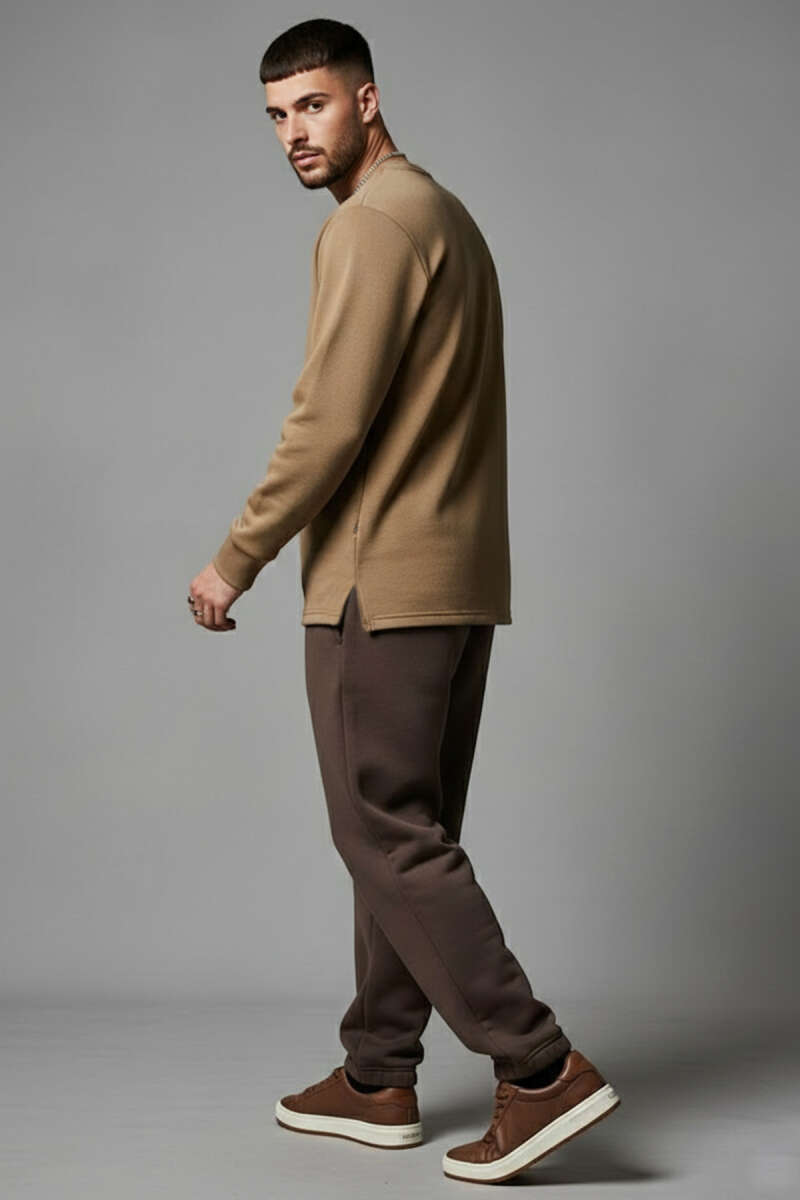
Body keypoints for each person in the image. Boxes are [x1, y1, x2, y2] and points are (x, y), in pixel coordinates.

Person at [186, 17, 619, 1184]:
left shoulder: (370, 224)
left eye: (313, 105)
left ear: (366, 100)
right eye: (276, 116)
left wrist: (236, 557)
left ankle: (538, 1067)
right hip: (453, 581)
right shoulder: (441, 214)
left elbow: (327, 422)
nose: (293, 132)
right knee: (405, 834)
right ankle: (378, 1071)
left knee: (381, 832)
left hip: (378, 583)